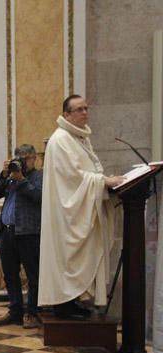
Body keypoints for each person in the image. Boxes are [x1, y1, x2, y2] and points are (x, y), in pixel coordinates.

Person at [39, 95, 124, 319]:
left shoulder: (79, 138)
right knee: (68, 256)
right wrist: (103, 182)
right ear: (66, 114)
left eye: (86, 108)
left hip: (79, 206)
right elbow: (72, 178)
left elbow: (87, 171)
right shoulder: (61, 140)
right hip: (68, 213)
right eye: (79, 109)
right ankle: (64, 303)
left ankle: (74, 300)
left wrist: (103, 180)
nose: (85, 112)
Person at [0, 144, 43, 329]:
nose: (23, 162)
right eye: (19, 158)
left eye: (26, 158)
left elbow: (39, 197)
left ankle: (33, 313)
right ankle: (15, 310)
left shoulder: (39, 177)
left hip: (29, 233)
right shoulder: (10, 178)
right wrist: (3, 175)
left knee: (33, 275)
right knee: (10, 274)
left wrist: (21, 181)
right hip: (8, 232)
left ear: (34, 158)